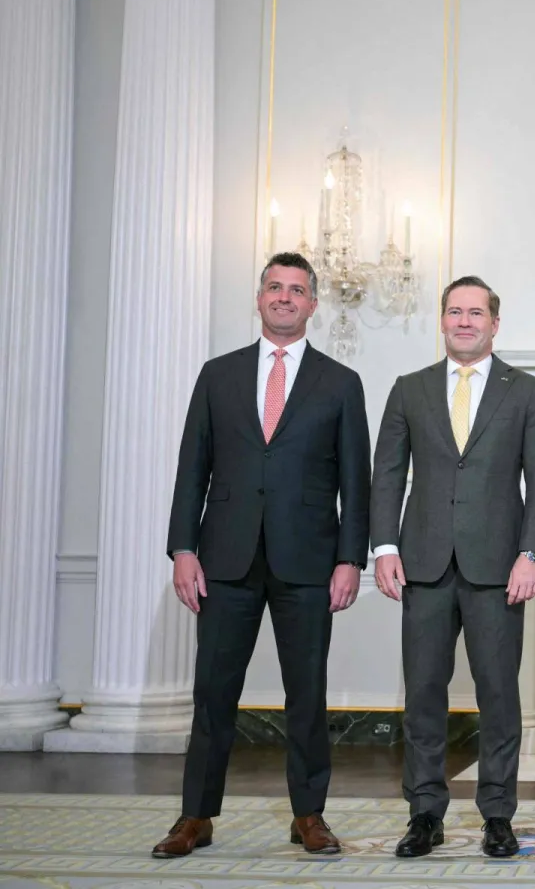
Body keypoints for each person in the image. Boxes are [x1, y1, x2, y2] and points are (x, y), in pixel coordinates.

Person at [156, 252, 370, 859]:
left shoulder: (340, 383)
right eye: (274, 288)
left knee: (307, 693)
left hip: (308, 561)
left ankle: (309, 815)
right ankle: (195, 816)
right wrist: (182, 548)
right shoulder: (216, 375)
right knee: (213, 692)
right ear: (259, 298)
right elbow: (191, 468)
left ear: (312, 305)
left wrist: (350, 558)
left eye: (296, 290)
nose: (284, 298)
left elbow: (357, 482)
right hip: (224, 558)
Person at [370, 276, 535, 859]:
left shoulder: (527, 391)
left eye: (476, 313)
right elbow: (387, 475)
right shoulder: (409, 389)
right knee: (423, 694)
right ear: (443, 321)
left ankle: (497, 815)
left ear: (495, 323)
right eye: (454, 312)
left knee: (499, 696)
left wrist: (532, 555)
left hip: (499, 569)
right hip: (422, 566)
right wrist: (383, 548)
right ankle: (425, 813)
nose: (464, 322)